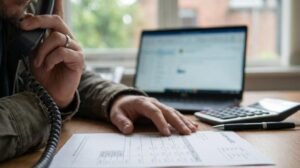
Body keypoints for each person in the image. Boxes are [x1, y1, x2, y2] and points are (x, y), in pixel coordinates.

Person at [0, 0, 198, 162]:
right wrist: (45, 105)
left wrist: (114, 99)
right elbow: (48, 93)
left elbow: (56, 77)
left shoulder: (21, 12)